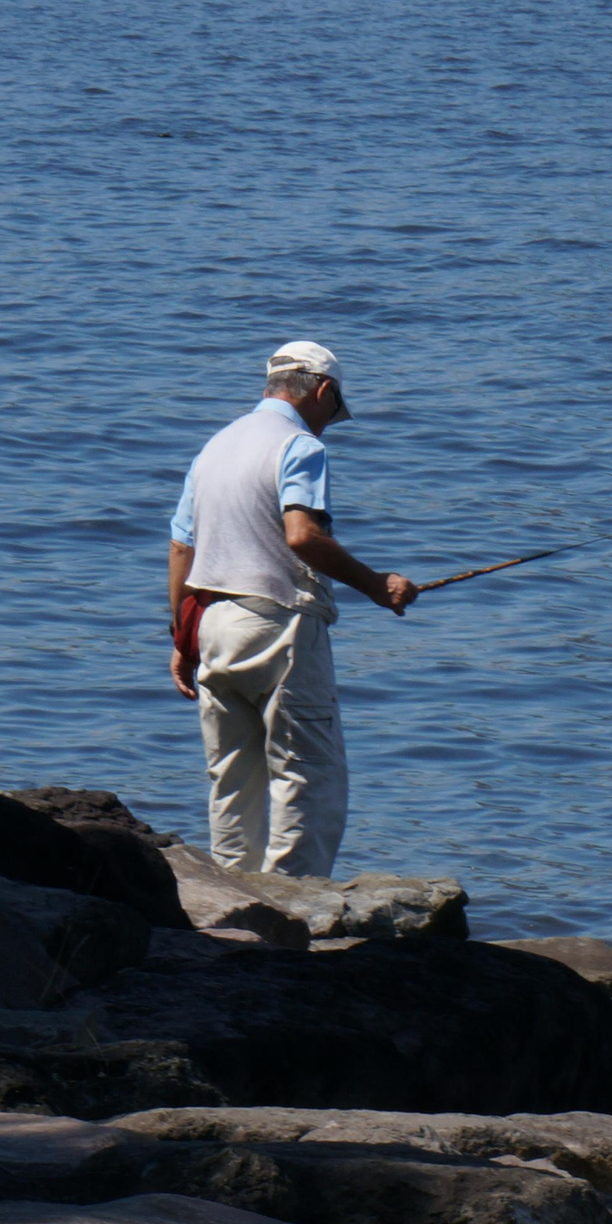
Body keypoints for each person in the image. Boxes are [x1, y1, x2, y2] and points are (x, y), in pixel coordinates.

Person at [167, 342, 416, 877]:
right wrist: (376, 584)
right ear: (323, 391)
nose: (329, 423)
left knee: (233, 782)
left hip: (211, 624)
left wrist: (180, 637)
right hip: (278, 625)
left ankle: (231, 911)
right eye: (333, 409)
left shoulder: (215, 447)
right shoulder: (300, 446)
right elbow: (301, 536)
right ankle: (297, 917)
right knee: (307, 777)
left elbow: (181, 550)